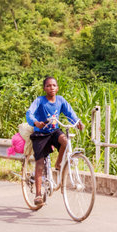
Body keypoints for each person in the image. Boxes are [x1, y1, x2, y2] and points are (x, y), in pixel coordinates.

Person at [26, 76, 84, 206]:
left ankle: (58, 164)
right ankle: (38, 195)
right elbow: (29, 113)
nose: (51, 87)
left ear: (57, 88)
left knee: (65, 141)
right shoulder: (40, 101)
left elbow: (70, 113)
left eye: (53, 85)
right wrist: (36, 122)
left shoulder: (60, 100)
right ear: (44, 88)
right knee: (40, 162)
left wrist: (77, 122)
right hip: (40, 133)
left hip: (54, 131)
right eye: (48, 85)